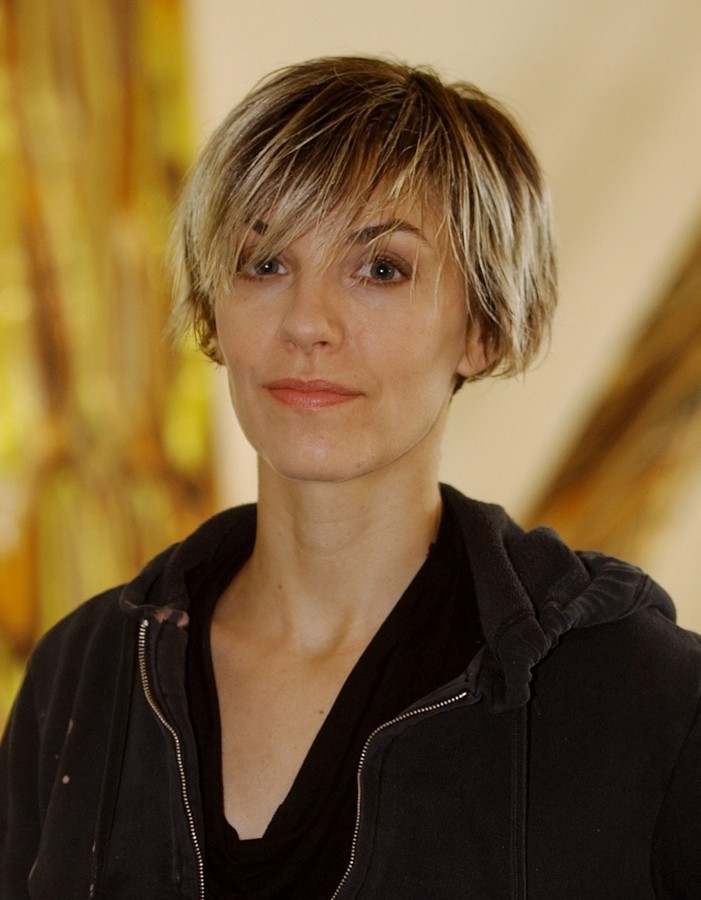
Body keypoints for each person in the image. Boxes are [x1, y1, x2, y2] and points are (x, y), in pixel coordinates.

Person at [1, 56, 700, 900]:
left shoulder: (642, 697)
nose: (306, 323)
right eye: (264, 262)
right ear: (214, 310)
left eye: (380, 269)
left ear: (481, 328)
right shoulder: (84, 676)